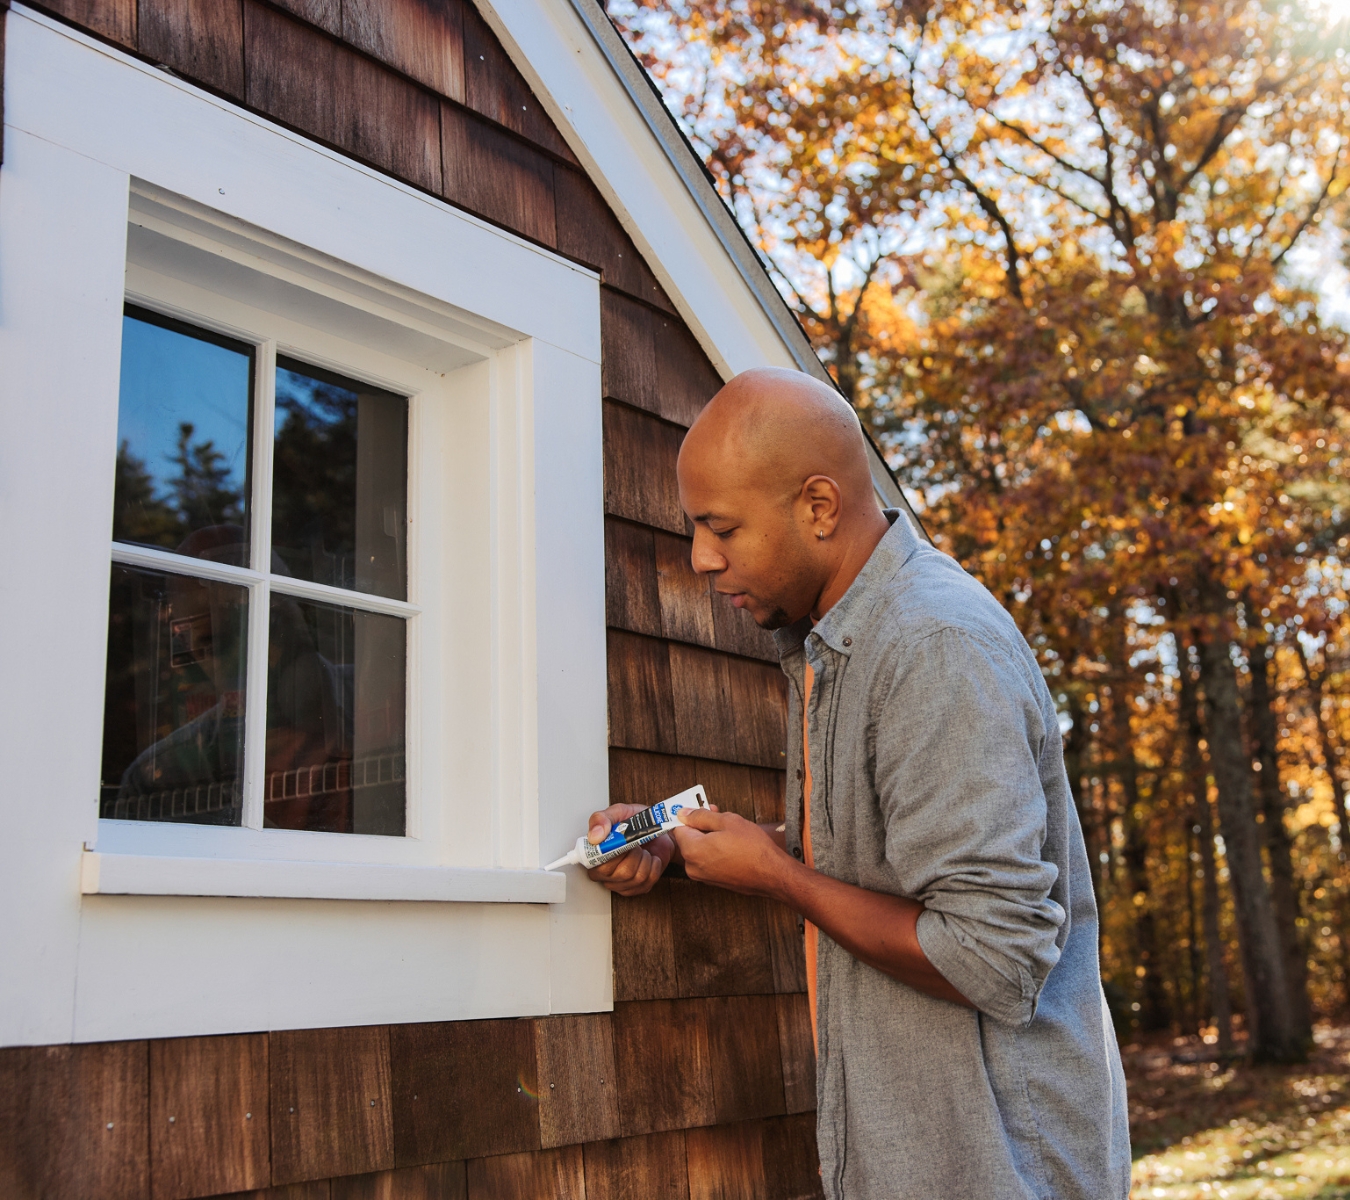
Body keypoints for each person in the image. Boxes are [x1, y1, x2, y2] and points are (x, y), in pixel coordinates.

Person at [586, 368, 1130, 1199]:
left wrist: (778, 878)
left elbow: (994, 957)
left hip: (999, 1168)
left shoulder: (932, 647)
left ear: (818, 505)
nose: (700, 558)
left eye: (720, 527)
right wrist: (682, 844)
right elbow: (870, 857)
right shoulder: (840, 644)